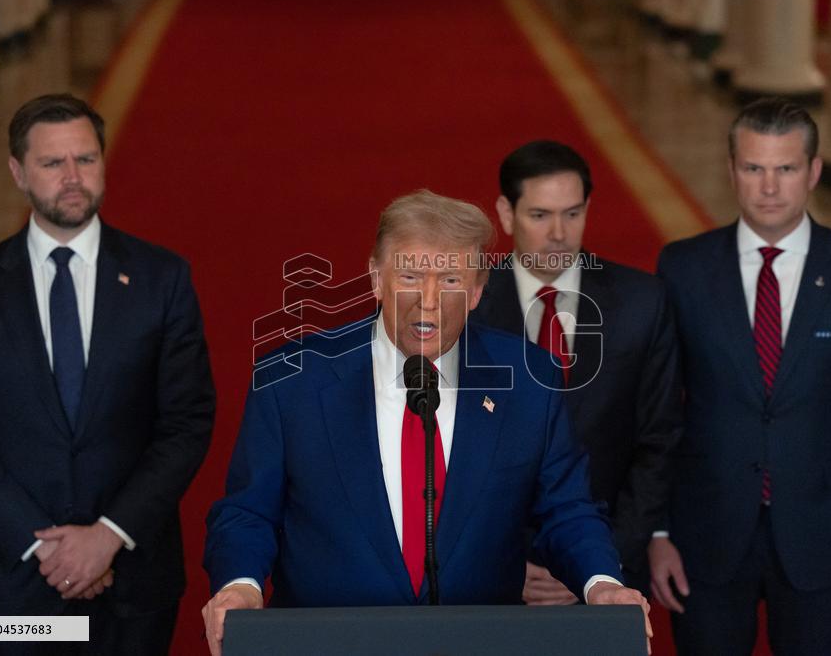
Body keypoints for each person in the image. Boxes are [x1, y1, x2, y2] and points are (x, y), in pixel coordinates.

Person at [201, 190, 651, 656]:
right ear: (376, 278)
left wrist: (603, 586)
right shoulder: (292, 379)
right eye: (410, 276)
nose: (429, 302)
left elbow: (567, 510)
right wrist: (242, 585)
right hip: (327, 642)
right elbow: (248, 512)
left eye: (451, 279)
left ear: (477, 291)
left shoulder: (527, 379)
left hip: (479, 644)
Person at [0, 94, 215, 655]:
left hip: (135, 580)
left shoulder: (163, 279)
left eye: (85, 159)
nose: (72, 178)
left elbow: (186, 422)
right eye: (52, 163)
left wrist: (108, 537)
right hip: (18, 585)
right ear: (17, 172)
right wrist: (49, 551)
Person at [652, 97, 831, 654]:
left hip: (824, 535)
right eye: (754, 168)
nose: (769, 187)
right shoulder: (683, 267)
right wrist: (655, 533)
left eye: (786, 168)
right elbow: (658, 411)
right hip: (706, 535)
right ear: (731, 172)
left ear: (814, 172)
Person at [470, 140, 681, 601]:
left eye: (573, 213)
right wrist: (501, 567)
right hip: (492, 579)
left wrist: (598, 568)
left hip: (609, 573)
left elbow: (659, 443)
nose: (559, 233)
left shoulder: (642, 303)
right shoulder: (467, 307)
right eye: (540, 215)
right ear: (506, 214)